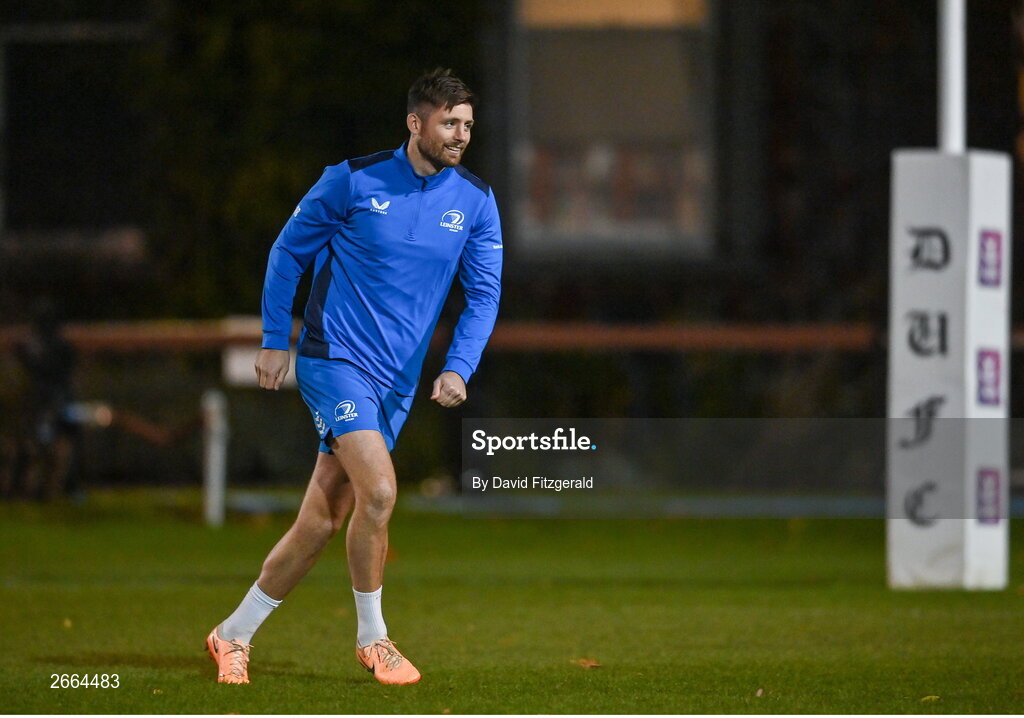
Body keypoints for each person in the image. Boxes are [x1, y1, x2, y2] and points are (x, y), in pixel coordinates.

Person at [206, 68, 502, 686]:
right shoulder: (351, 181)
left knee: (321, 519)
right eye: (449, 123)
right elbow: (288, 252)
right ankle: (375, 640)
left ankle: (232, 634)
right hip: (333, 360)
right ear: (415, 123)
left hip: (395, 383)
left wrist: (459, 365)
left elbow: (483, 296)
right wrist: (271, 340)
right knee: (383, 493)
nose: (460, 135)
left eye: (468, 125)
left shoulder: (475, 202)